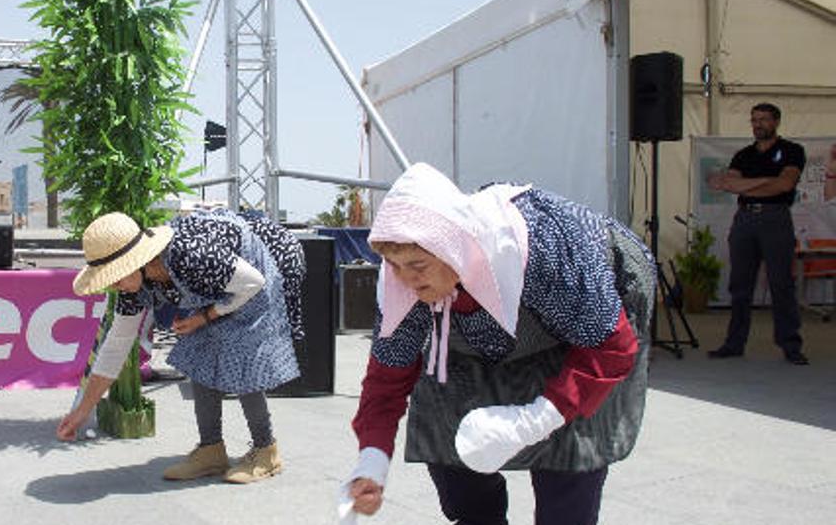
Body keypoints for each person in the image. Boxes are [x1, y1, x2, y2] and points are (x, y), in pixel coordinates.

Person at [341, 163, 653, 525]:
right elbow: (386, 381)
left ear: (453, 248)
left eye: (417, 265)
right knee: (445, 432)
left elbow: (611, 347)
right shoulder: (404, 281)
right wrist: (371, 464)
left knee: (569, 467)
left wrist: (533, 420)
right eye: (394, 265)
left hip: (579, 331)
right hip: (478, 331)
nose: (406, 279)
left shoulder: (543, 248)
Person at [56, 209, 305, 484]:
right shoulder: (132, 287)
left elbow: (253, 282)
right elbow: (116, 346)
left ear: (139, 261)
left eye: (115, 277)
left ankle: (266, 451)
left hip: (266, 261)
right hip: (227, 280)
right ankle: (211, 450)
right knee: (199, 352)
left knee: (241, 353)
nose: (115, 285)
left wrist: (206, 316)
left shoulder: (190, 255)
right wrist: (81, 412)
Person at [706, 103, 808, 365]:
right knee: (740, 284)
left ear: (776, 122)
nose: (758, 124)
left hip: (775, 217)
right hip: (745, 219)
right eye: (754, 120)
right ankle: (734, 343)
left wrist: (747, 185)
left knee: (780, 283)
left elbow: (785, 184)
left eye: (763, 120)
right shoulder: (743, 155)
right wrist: (765, 182)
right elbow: (726, 184)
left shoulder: (791, 150)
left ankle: (790, 345)